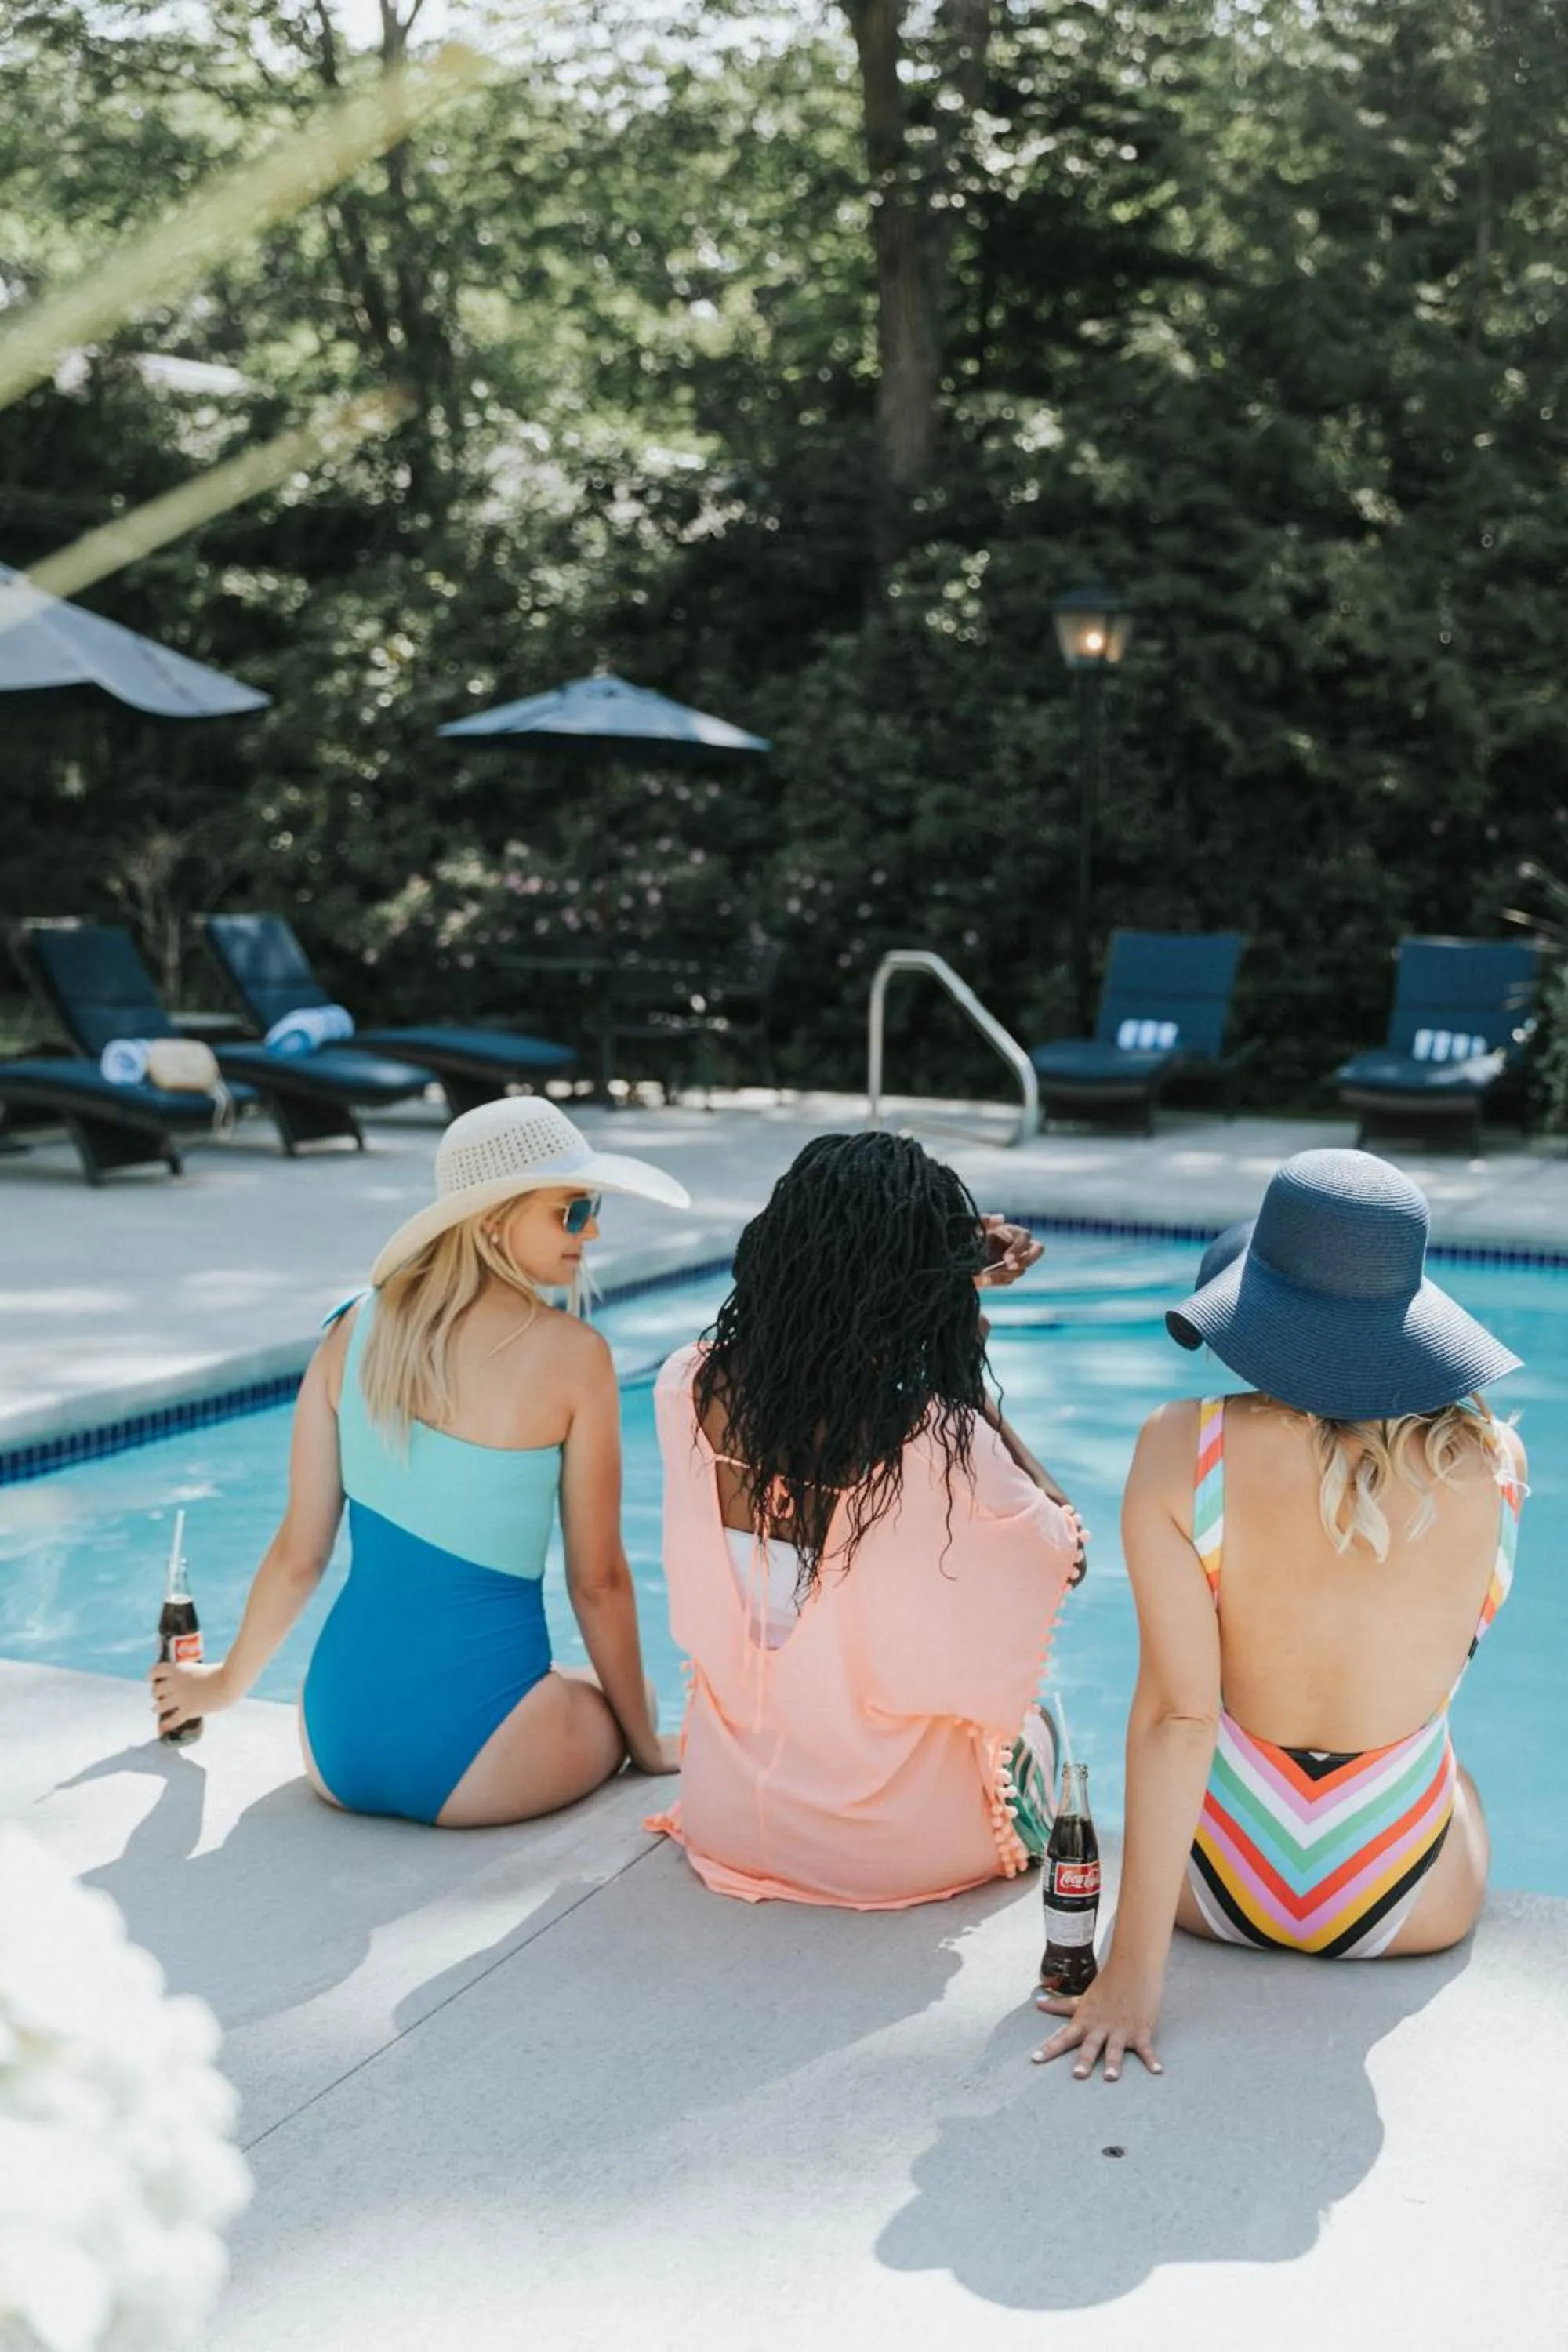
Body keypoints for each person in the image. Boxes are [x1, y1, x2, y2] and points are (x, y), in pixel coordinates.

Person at [1036, 1148, 1526, 2082]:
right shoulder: (1497, 1463)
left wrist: (1129, 1976)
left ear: (1259, 1310)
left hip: (1214, 1894)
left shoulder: (1182, 1446)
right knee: (1455, 1779)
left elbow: (1178, 1719)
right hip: (1410, 1900)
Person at [149, 1099, 691, 1827]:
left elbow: (296, 1557)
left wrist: (216, 1688)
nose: (590, 1231)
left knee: (546, 1680)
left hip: (335, 1745)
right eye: (572, 1209)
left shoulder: (349, 1330)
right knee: (632, 1699)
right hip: (482, 1765)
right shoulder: (575, 1358)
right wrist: (646, 1749)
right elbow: (597, 1582)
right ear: (494, 1217)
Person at [648, 1131, 1086, 1908]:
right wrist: (960, 1370)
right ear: (920, 1288)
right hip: (893, 1851)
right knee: (1043, 1722)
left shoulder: (685, 1387)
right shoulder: (932, 1440)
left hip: (728, 1820)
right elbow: (1061, 1549)